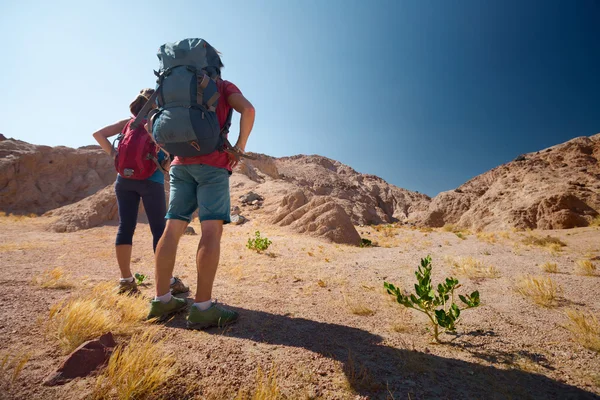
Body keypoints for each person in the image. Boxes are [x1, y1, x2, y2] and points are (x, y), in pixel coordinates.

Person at [147, 52, 255, 329]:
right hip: (213, 164)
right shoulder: (223, 86)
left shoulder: (173, 87)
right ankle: (203, 308)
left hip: (180, 165)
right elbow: (249, 110)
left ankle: (161, 300)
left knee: (171, 230)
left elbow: (151, 123)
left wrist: (168, 151)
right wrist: (239, 148)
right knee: (210, 231)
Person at [92, 89, 189, 295]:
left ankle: (126, 280)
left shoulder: (128, 123)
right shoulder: (158, 123)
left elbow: (97, 134)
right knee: (159, 231)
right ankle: (168, 281)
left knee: (125, 227)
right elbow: (170, 154)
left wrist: (115, 155)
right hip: (150, 181)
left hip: (123, 180)